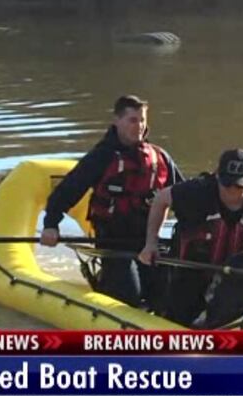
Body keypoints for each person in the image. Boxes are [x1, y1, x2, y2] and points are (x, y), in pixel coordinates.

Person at [40, 95, 183, 307]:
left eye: (142, 120)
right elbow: (67, 191)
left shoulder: (159, 158)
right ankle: (107, 283)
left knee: (168, 293)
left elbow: (185, 197)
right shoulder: (101, 157)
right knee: (130, 295)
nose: (140, 126)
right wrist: (50, 225)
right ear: (117, 121)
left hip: (148, 243)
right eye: (133, 120)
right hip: (112, 244)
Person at [138, 149, 243, 327]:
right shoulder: (197, 192)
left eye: (239, 186)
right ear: (216, 176)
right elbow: (160, 199)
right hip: (189, 278)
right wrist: (151, 243)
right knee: (179, 309)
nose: (232, 192)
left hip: (231, 285)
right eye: (227, 184)